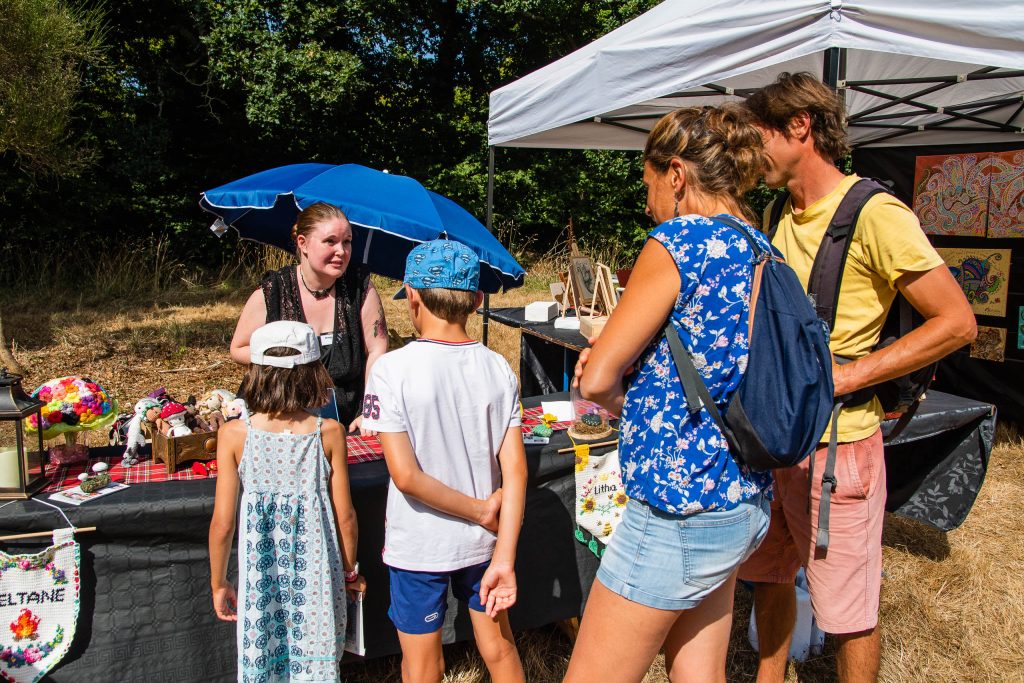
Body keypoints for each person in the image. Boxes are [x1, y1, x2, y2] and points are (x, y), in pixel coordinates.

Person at [737, 72, 977, 683]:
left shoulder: (875, 213)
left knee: (848, 610)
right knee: (768, 576)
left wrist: (845, 378)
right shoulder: (778, 212)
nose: (749, 154)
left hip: (837, 448)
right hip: (774, 442)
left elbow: (956, 323)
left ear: (800, 126)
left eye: (758, 136)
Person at [564, 105, 774, 683]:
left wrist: (618, 391)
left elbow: (598, 379)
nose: (648, 203)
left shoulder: (681, 240)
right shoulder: (761, 247)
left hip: (676, 510)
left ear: (676, 174)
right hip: (741, 499)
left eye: (649, 185)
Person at [361, 239, 527, 683]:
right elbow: (516, 471)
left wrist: (479, 511)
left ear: (413, 296)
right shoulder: (499, 367)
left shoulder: (390, 370)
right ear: (476, 300)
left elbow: (406, 476)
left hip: (420, 544)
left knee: (422, 667)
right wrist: (503, 551)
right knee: (500, 649)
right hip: (486, 543)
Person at [209, 320, 366, 683]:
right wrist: (349, 572)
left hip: (260, 579)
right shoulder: (328, 433)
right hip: (317, 576)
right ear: (314, 373)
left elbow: (222, 523)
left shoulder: (234, 435)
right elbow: (345, 516)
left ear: (256, 373)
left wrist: (219, 582)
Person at [230, 202, 388, 434]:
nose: (341, 251)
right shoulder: (274, 290)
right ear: (303, 243)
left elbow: (377, 350)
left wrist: (369, 411)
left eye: (347, 241)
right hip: (278, 415)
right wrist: (285, 358)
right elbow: (238, 348)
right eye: (330, 241)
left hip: (346, 421)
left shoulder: (360, 288)